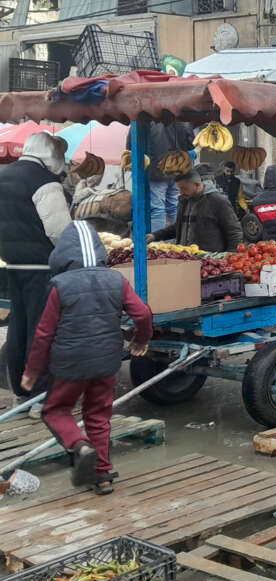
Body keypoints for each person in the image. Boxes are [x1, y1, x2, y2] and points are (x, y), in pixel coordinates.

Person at [21, 221, 152, 495]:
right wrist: (141, 339)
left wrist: (32, 371)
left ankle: (80, 447)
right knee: (98, 415)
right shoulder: (116, 279)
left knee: (55, 410)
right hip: (106, 361)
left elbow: (44, 333)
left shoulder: (59, 285)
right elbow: (142, 314)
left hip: (70, 364)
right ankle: (102, 474)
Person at [0, 132, 71, 407]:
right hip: (41, 265)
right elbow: (59, 230)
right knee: (42, 330)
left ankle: (20, 392)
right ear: (50, 153)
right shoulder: (43, 182)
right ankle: (41, 396)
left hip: (11, 262)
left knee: (18, 325)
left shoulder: (4, 175)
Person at [150, 170, 243, 252]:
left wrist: (231, 255)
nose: (181, 192)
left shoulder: (218, 201)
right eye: (179, 189)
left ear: (197, 185)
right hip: (185, 259)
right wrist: (155, 236)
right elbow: (178, 227)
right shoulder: (184, 200)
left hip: (209, 261)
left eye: (184, 188)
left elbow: (234, 232)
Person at [126, 123, 193, 231]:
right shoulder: (182, 120)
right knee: (175, 207)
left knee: (157, 209)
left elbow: (130, 146)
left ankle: (156, 242)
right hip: (179, 170)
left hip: (155, 170)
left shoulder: (145, 118)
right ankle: (179, 239)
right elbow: (191, 144)